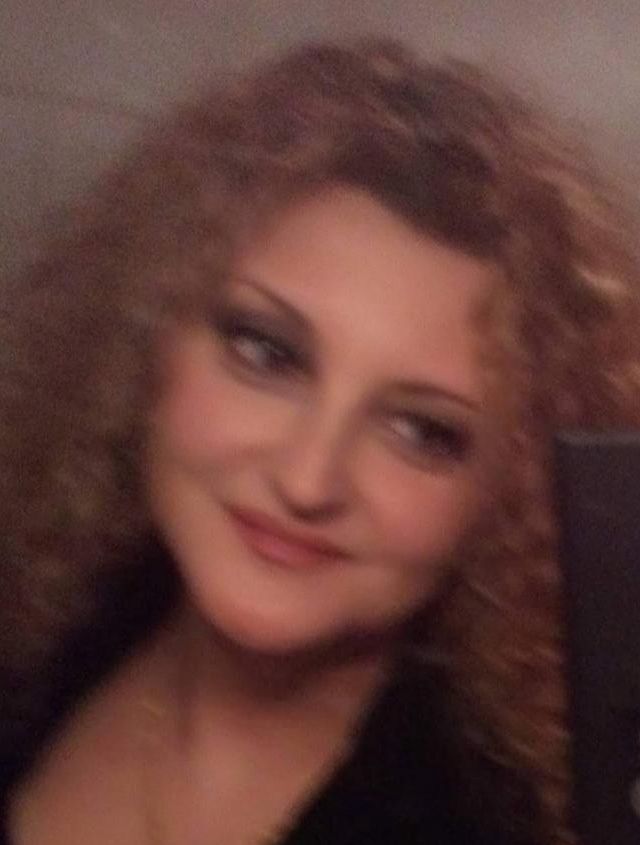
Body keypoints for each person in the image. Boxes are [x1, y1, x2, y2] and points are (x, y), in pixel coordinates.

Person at [1, 38, 640, 845]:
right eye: (267, 353)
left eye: (423, 431)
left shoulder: (531, 819)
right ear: (150, 336)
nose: (308, 480)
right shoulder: (38, 632)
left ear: (508, 494)